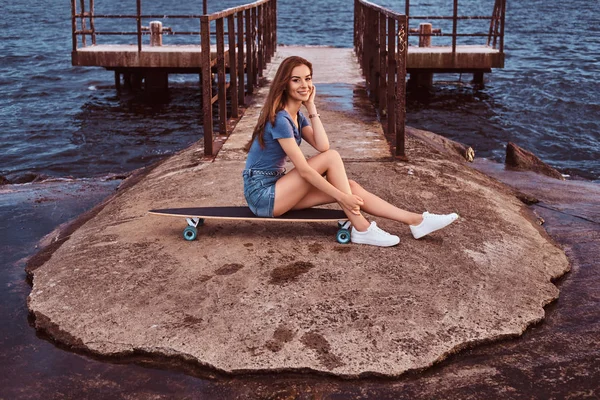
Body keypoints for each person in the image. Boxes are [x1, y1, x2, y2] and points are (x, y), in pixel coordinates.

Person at [242, 56, 458, 247]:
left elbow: (322, 145)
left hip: (278, 191)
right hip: (262, 194)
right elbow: (307, 170)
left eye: (308, 78)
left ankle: (417, 221)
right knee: (334, 162)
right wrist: (341, 198)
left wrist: (312, 108)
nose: (304, 85)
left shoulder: (296, 116)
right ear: (284, 84)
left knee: (351, 187)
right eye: (296, 79)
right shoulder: (280, 119)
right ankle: (361, 228)